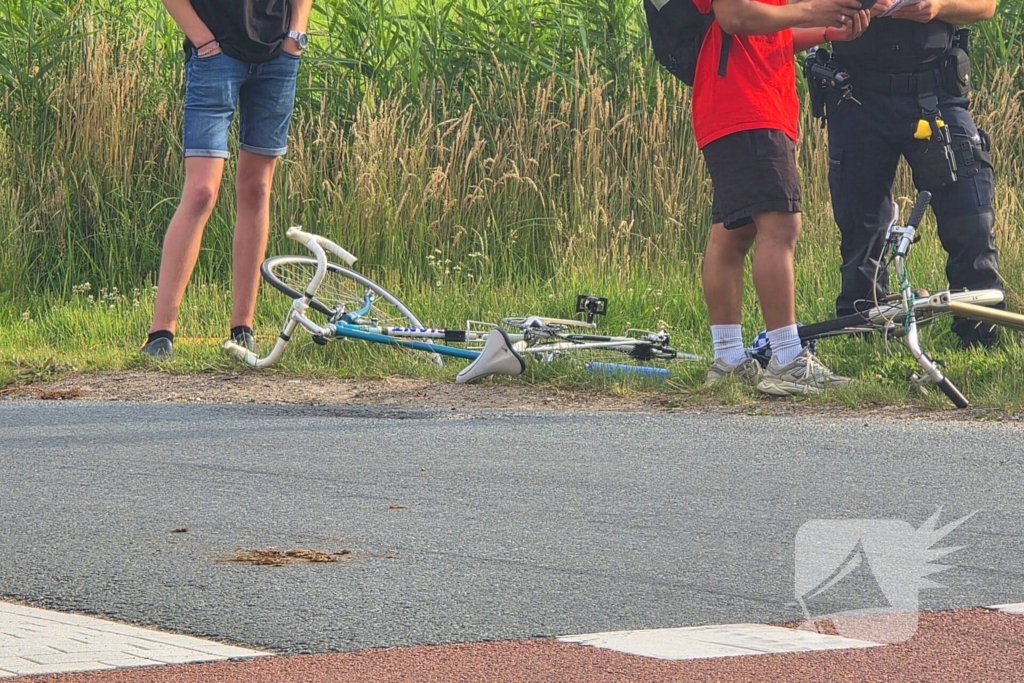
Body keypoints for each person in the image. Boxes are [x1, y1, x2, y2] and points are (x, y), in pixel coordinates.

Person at [698, 0, 871, 395]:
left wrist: (828, 31)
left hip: (738, 102)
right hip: (748, 104)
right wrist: (814, 11)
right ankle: (788, 359)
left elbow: (768, 33)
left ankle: (728, 361)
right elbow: (736, 16)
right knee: (780, 225)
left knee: (732, 232)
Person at [823, 0, 1002, 348]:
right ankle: (865, 334)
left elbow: (985, 6)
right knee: (862, 226)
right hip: (856, 94)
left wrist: (937, 6)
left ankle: (983, 331)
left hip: (935, 89)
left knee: (971, 214)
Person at [141, 0, 313, 360]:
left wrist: (296, 35)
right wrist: (202, 40)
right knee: (202, 191)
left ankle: (243, 329)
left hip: (278, 56)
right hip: (214, 57)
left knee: (257, 189)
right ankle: (161, 334)